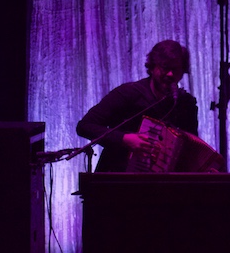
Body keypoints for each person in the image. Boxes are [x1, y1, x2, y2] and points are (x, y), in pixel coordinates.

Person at [77, 39, 199, 172]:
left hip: (163, 186)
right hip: (118, 180)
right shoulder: (128, 94)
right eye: (165, 67)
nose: (170, 74)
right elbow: (85, 126)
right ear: (152, 67)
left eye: (176, 69)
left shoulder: (186, 104)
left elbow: (191, 147)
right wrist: (124, 139)